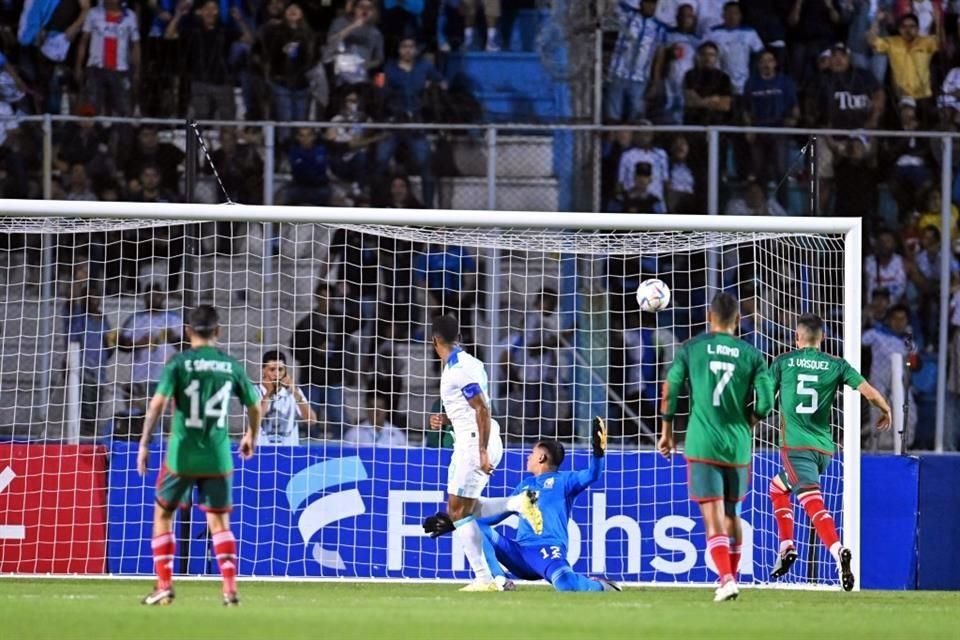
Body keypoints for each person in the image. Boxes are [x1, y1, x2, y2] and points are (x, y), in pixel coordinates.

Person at [136, 305, 261, 606]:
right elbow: (255, 405)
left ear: (189, 332)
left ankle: (164, 585)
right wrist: (250, 436)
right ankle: (230, 590)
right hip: (218, 457)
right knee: (219, 523)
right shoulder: (230, 365)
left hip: (182, 456)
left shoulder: (179, 363)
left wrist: (144, 443)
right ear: (217, 331)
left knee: (163, 514)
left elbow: (156, 405)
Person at [659, 291, 774, 602]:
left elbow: (670, 388)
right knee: (732, 513)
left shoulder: (692, 348)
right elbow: (766, 402)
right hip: (737, 445)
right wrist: (748, 421)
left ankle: (725, 578)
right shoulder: (752, 355)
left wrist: (667, 430)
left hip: (702, 442)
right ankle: (732, 576)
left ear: (709, 317)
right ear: (738, 320)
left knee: (712, 513)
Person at [767, 313, 892, 590]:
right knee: (777, 489)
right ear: (822, 338)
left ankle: (837, 551)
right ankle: (787, 546)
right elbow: (868, 391)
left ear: (797, 337)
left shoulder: (783, 363)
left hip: (795, 446)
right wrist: (885, 408)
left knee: (813, 503)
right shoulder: (836, 365)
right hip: (824, 450)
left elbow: (764, 399)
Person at [423, 418, 621, 592]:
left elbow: (592, 475)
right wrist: (458, 522)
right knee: (479, 528)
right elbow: (495, 517)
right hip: (519, 554)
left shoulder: (565, 481)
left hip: (547, 552)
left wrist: (598, 453)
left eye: (532, 453)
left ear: (542, 458)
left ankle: (601, 585)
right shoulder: (524, 486)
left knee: (567, 585)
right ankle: (500, 580)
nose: (528, 456)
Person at [428, 313, 536, 591]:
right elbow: (472, 407)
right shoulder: (469, 363)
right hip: (473, 437)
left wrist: (483, 452)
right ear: (459, 338)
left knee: (457, 510)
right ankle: (516, 504)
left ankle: (485, 578)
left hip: (475, 442)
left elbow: (482, 408)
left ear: (435, 340)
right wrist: (448, 419)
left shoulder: (458, 370)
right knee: (467, 509)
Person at [257, 350, 316, 446]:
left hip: (289, 452)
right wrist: (269, 393)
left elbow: (312, 420)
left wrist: (294, 391)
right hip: (261, 452)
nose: (276, 374)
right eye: (272, 369)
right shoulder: (254, 391)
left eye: (280, 369)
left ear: (285, 371)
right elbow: (255, 420)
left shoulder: (294, 392)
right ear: (263, 370)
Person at [343, 393, 408, 446]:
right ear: (367, 409)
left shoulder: (398, 435)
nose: (376, 411)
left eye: (380, 407)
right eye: (372, 407)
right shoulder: (353, 434)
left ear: (386, 411)